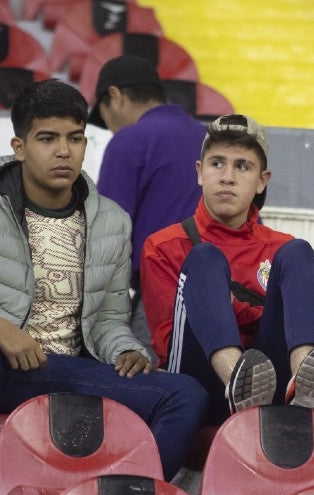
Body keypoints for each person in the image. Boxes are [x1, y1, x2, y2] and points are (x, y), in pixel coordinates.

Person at [0, 79, 209, 483]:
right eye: (47, 138)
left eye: (75, 138)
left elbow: (110, 320)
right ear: (20, 147)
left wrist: (127, 348)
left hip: (64, 369)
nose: (64, 151)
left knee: (186, 394)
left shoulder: (111, 221)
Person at [140, 114, 314, 426]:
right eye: (217, 163)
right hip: (200, 386)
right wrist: (247, 312)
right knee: (205, 258)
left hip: (275, 385)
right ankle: (238, 380)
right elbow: (168, 342)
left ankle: (305, 387)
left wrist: (231, 307)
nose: (227, 177)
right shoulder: (163, 245)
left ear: (262, 180)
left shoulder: (283, 249)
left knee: (299, 251)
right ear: (199, 172)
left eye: (242, 166)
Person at [88, 55, 208, 356]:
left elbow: (108, 236)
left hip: (160, 295)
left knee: (145, 391)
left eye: (105, 118)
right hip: (225, 294)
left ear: (115, 96)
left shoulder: (129, 140)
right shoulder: (211, 139)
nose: (111, 128)